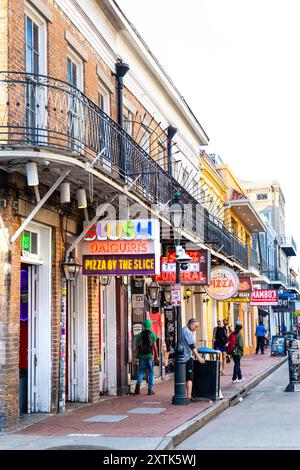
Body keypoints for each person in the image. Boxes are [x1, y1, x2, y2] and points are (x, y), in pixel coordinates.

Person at [134, 319, 158, 395]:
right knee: (150, 372)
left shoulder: (139, 335)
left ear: (144, 326)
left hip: (141, 356)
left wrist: (136, 357)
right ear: (150, 326)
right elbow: (155, 347)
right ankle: (150, 389)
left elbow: (137, 348)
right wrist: (156, 356)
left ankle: (137, 387)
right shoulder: (153, 335)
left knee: (141, 371)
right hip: (149, 356)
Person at [182, 318, 205, 400]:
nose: (196, 328)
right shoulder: (187, 332)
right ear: (191, 325)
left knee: (183, 377)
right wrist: (199, 357)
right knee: (189, 377)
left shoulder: (182, 330)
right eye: (196, 326)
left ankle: (184, 394)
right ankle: (189, 395)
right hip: (187, 357)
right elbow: (192, 346)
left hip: (182, 357)